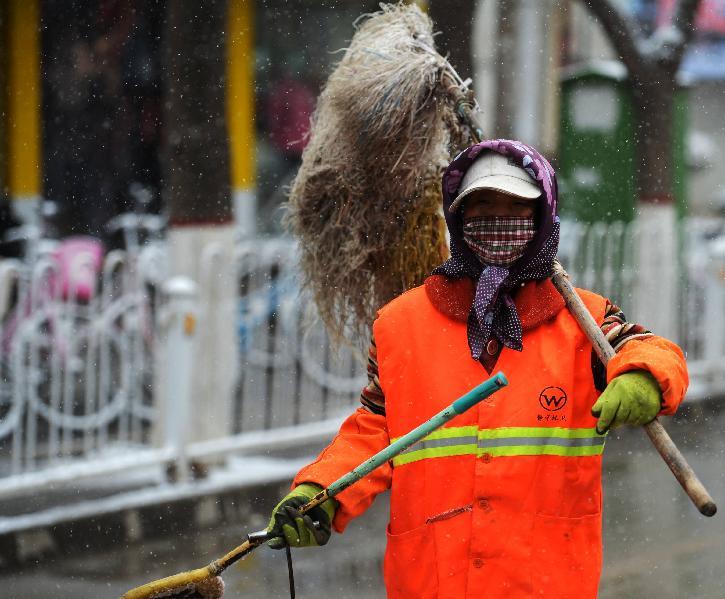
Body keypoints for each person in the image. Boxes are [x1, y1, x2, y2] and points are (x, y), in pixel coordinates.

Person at [267, 139, 689, 598]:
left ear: (543, 216)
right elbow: (375, 429)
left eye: (515, 207)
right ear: (457, 217)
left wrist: (643, 376)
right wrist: (321, 493)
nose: (497, 220)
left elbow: (650, 348)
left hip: (545, 580)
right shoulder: (400, 324)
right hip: (432, 579)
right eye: (482, 206)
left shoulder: (583, 320)